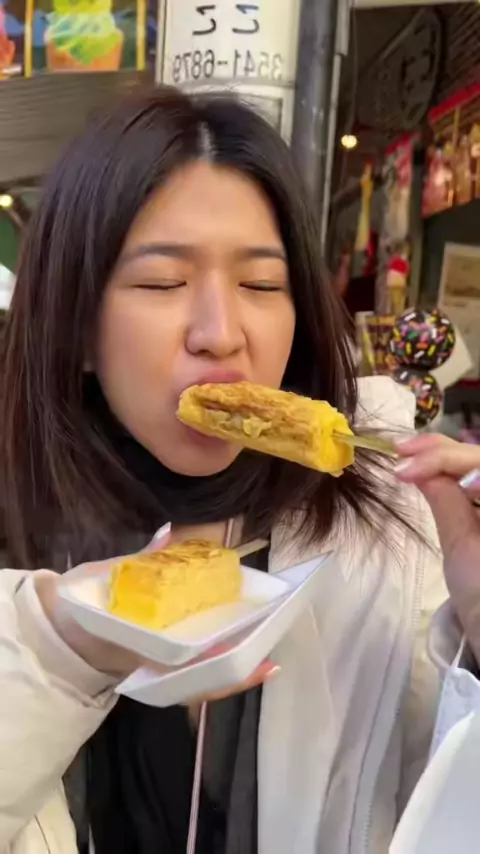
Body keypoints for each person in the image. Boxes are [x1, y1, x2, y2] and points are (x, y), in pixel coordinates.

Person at [0, 88, 452, 854]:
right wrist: (55, 651)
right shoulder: (17, 524)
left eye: (262, 286)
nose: (220, 333)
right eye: (162, 283)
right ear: (76, 328)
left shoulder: (394, 533)